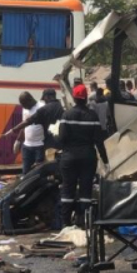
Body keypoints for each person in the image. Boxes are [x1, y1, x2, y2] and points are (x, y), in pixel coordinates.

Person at [57, 84, 110, 228]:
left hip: (69, 157)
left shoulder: (66, 115)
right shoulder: (92, 116)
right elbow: (99, 140)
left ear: (74, 98)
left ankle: (65, 223)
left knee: (68, 188)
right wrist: (106, 160)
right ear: (86, 98)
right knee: (86, 190)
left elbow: (61, 139)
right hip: (88, 157)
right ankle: (84, 221)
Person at [13, 92, 45, 175]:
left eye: (24, 104)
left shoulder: (42, 107)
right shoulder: (25, 109)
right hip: (27, 146)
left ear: (30, 100)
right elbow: (24, 125)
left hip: (39, 145)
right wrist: (18, 140)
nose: (24, 107)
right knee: (25, 172)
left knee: (39, 173)